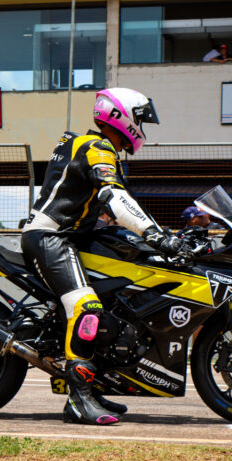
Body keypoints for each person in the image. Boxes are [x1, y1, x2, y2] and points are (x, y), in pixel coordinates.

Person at [22, 87, 183, 426]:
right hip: (52, 237)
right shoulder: (97, 147)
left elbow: (115, 204)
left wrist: (159, 232)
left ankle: (93, 388)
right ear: (121, 116)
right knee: (87, 308)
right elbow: (114, 196)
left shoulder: (89, 145)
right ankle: (78, 400)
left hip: (73, 238)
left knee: (113, 306)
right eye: (140, 120)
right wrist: (154, 234)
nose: (142, 128)